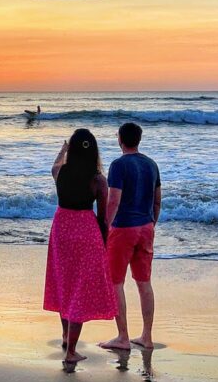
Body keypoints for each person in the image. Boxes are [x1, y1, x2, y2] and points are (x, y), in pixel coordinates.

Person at [44, 129, 117, 364]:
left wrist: (62, 150)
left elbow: (53, 166)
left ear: (71, 150)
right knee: (80, 290)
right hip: (85, 232)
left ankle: (66, 336)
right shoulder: (98, 180)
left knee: (64, 283)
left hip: (61, 229)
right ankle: (71, 350)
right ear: (94, 151)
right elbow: (103, 218)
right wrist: (104, 243)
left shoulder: (60, 172)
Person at [99, 122, 161, 351]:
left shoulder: (118, 165)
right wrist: (152, 222)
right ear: (139, 139)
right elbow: (157, 200)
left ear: (120, 140)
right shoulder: (152, 164)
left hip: (123, 228)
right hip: (146, 227)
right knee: (144, 283)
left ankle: (123, 337)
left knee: (116, 282)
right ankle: (147, 336)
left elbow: (114, 199)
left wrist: (105, 226)